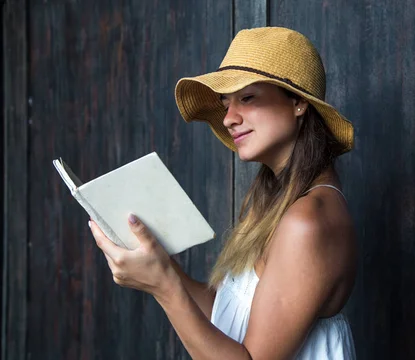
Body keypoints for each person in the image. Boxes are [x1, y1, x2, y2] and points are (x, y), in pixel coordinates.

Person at [89, 26, 357, 359]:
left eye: (246, 98)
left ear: (298, 102)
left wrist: (163, 286)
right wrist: (159, 264)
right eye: (225, 104)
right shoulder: (275, 201)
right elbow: (230, 313)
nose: (229, 119)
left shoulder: (307, 221)